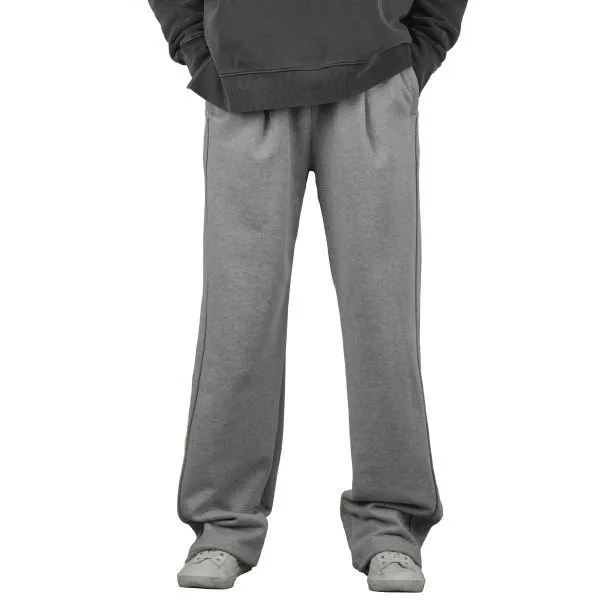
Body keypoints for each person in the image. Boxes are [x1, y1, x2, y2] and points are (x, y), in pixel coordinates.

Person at [149, 0, 468, 592]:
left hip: (374, 74)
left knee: (382, 316)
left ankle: (391, 523)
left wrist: (421, 47)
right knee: (239, 319)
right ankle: (223, 525)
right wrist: (196, 45)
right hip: (244, 81)